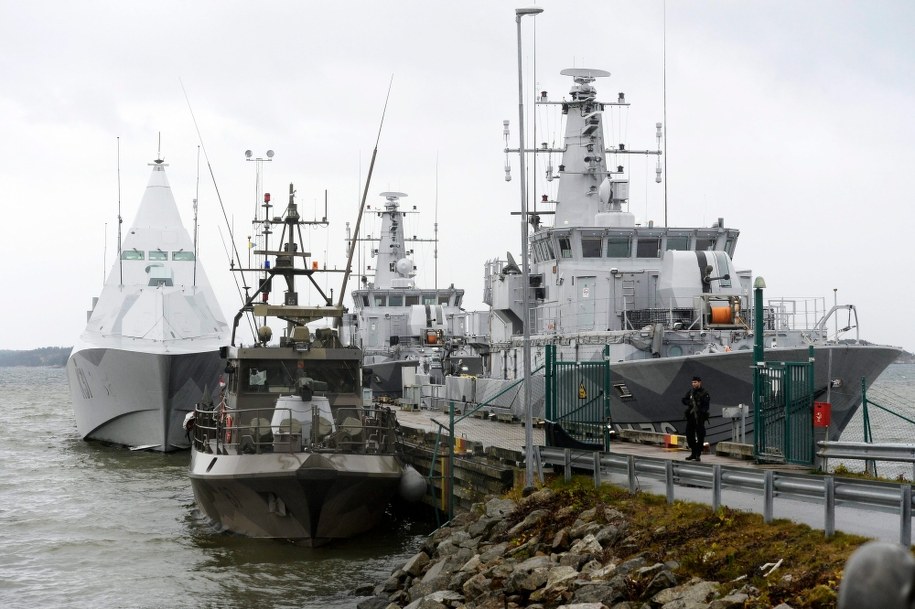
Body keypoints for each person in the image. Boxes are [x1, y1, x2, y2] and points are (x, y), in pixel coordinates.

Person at [682, 376, 710, 461]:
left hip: (699, 418)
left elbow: (706, 406)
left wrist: (700, 410)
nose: (693, 384)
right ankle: (693, 453)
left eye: (695, 382)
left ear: (699, 382)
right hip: (691, 417)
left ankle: (698, 454)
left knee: (700, 436)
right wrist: (690, 403)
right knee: (689, 435)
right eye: (693, 382)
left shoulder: (704, 393)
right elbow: (684, 400)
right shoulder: (690, 392)